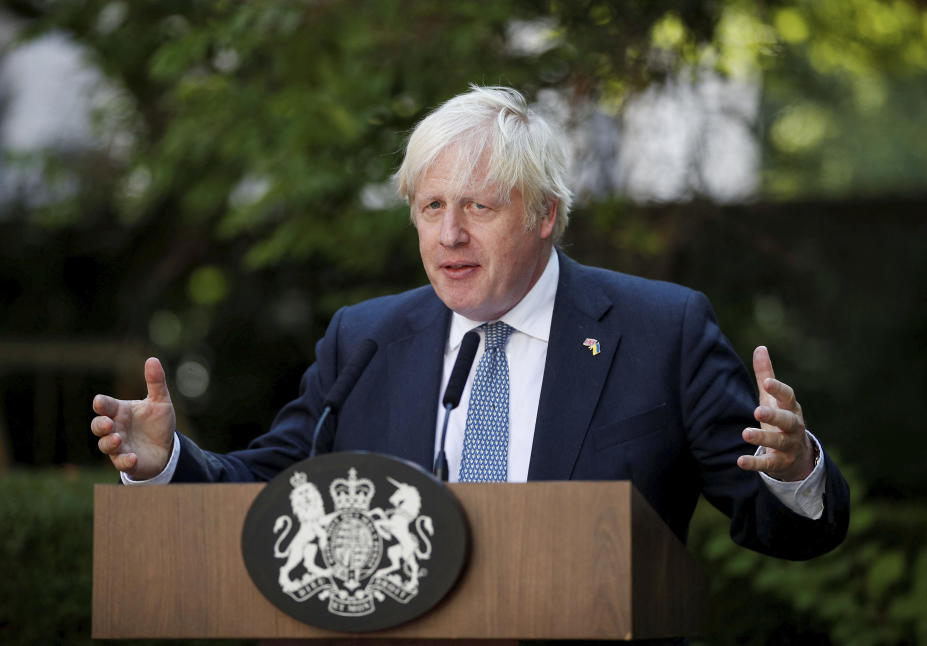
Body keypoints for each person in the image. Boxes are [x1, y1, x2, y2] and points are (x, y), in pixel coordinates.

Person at [91, 85, 848, 559]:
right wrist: (164, 464)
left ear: (546, 214)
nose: (449, 235)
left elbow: (788, 531)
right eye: (431, 207)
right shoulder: (366, 340)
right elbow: (272, 490)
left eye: (478, 207)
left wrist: (792, 469)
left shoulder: (660, 330)